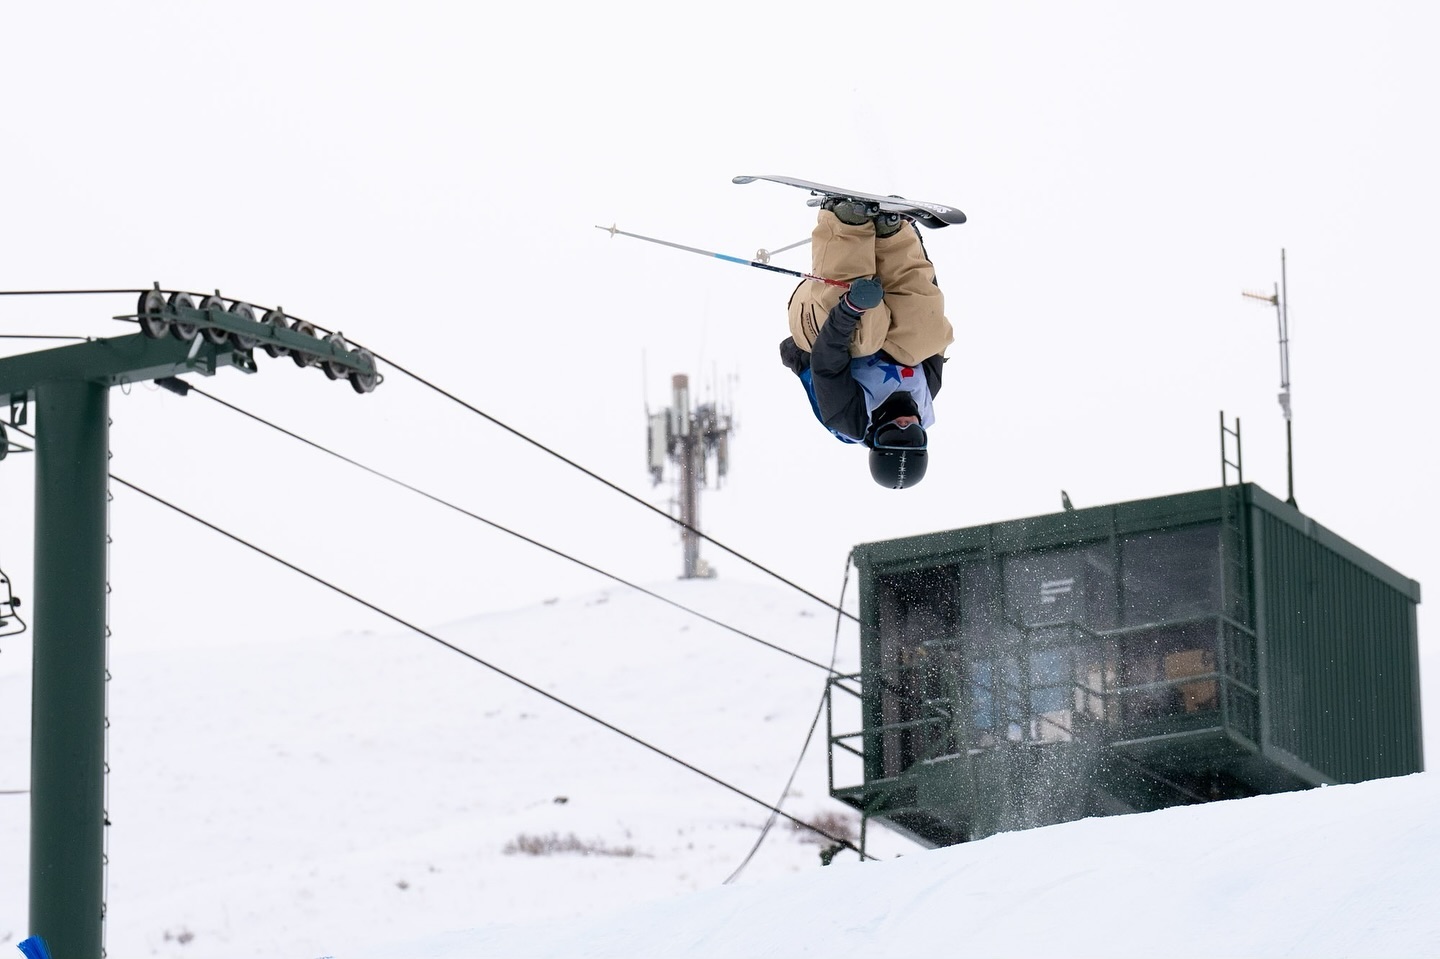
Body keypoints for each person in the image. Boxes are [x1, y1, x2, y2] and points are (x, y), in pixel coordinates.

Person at [778, 197, 953, 489]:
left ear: (875, 439)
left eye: (894, 436)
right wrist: (912, 241)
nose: (904, 424)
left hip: (817, 324)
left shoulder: (849, 419)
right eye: (913, 436)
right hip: (876, 302)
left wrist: (850, 310)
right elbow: (929, 312)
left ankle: (846, 222)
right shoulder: (925, 395)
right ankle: (891, 233)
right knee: (923, 340)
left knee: (863, 338)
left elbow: (827, 362)